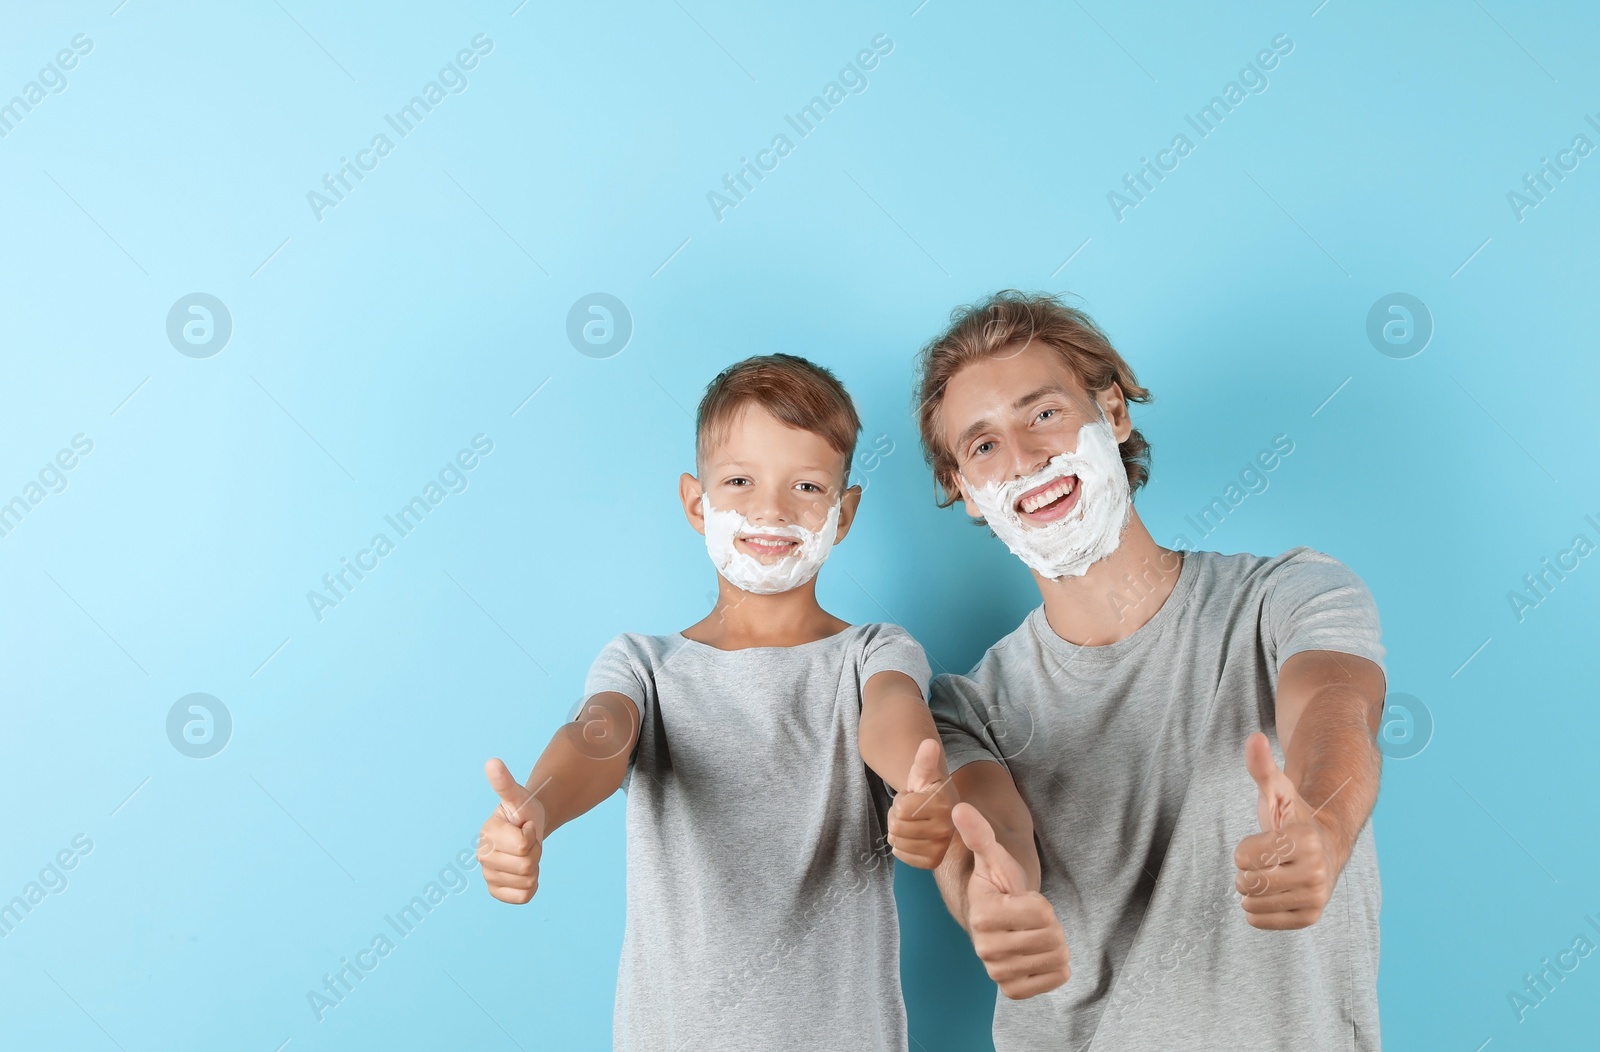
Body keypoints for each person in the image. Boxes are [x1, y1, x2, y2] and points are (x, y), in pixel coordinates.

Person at [914, 291, 1387, 1050]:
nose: (1024, 459)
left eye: (1043, 415)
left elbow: (1335, 708)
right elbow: (987, 835)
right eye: (983, 446)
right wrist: (986, 904)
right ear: (968, 493)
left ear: (1113, 412)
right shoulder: (964, 710)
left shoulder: (1288, 597)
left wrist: (1325, 827)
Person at [475, 353, 958, 1051]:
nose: (771, 509)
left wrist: (919, 782)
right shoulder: (644, 664)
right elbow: (598, 736)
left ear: (843, 513)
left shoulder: (872, 652)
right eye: (740, 481)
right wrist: (539, 807)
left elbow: (892, 714)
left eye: (806, 485)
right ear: (696, 502)